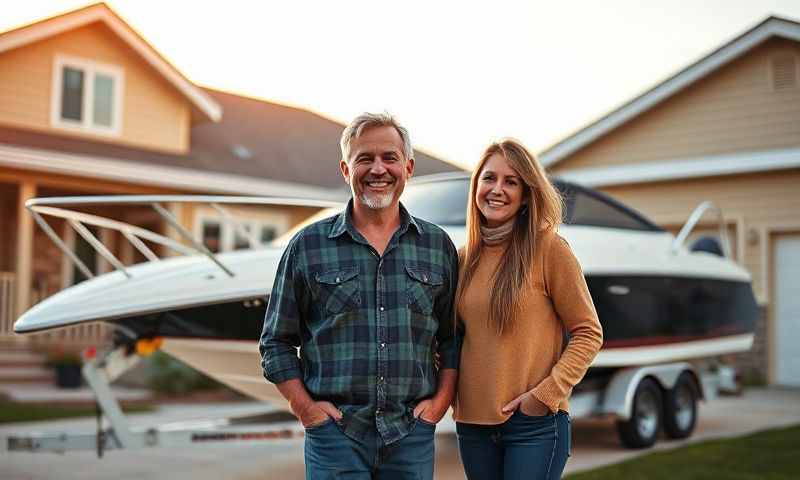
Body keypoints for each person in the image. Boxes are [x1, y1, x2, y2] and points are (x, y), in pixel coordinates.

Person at [259, 112, 459, 479]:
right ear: (345, 170)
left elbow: (451, 338)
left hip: (410, 434)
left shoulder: (437, 246)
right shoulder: (308, 246)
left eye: (389, 157)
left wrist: (440, 404)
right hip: (335, 437)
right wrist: (305, 409)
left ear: (408, 167)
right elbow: (275, 342)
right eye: (364, 158)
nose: (378, 169)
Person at [452, 139, 603, 479]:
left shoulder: (550, 249)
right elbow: (452, 340)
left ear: (525, 194)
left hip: (534, 425)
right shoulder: (463, 259)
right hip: (473, 427)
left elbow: (589, 332)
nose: (497, 189)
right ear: (476, 185)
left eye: (511, 181)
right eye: (489, 178)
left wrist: (545, 395)